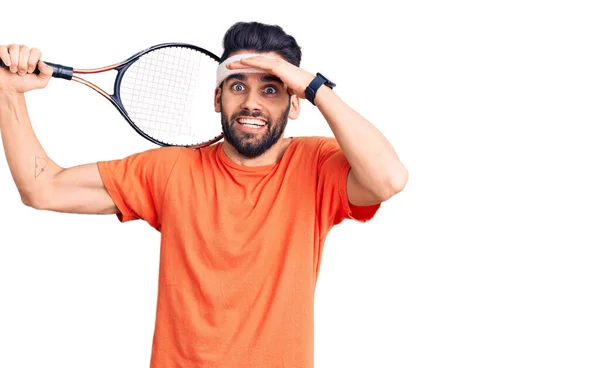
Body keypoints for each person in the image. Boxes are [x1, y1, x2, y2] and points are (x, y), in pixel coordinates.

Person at [0, 21, 408, 367]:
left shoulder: (316, 164)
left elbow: (388, 179)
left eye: (271, 89)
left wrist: (315, 86)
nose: (251, 103)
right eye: (237, 86)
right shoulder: (172, 169)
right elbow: (42, 187)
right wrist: (7, 91)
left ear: (294, 102)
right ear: (218, 97)